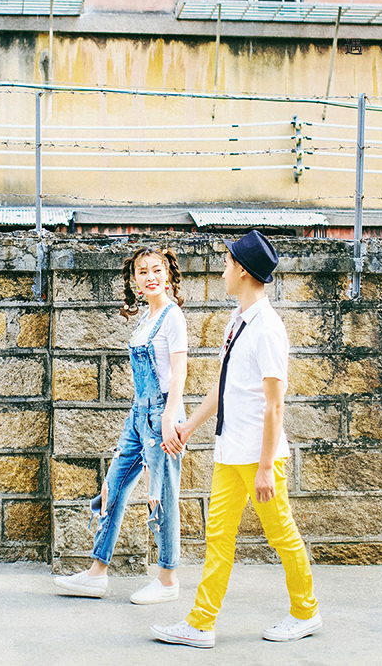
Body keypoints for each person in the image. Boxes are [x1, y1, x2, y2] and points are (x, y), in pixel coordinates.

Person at [150, 230, 321, 648]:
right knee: (218, 538)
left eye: (227, 264)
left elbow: (275, 405)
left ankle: (306, 612)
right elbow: (224, 387)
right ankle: (201, 623)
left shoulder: (268, 329)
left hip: (259, 457)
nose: (223, 271)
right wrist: (189, 427)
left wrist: (265, 468)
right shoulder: (237, 321)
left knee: (281, 534)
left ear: (243, 271)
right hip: (229, 451)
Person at [54, 247, 189, 605]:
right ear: (134, 281)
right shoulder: (146, 317)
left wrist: (169, 418)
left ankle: (168, 578)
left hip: (163, 413)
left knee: (162, 496)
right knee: (112, 486)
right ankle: (96, 573)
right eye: (142, 272)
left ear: (168, 275)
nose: (150, 277)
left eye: (156, 270)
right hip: (138, 413)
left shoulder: (173, 317)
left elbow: (179, 373)